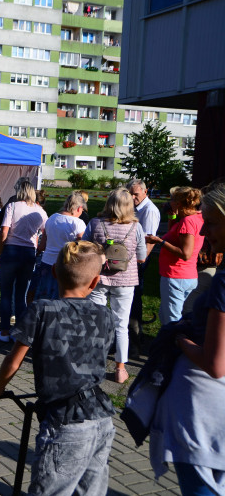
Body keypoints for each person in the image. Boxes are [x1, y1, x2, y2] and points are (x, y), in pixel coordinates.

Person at [0, 241, 116, 496]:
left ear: (54, 272)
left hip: (67, 422)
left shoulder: (43, 310)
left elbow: (13, 361)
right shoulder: (106, 315)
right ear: (95, 281)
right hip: (101, 417)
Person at [149, 183, 225, 494]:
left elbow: (215, 363)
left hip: (202, 419)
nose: (205, 229)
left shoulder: (222, 282)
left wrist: (178, 338)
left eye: (213, 222)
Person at [83, 187, 147, 383]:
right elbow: (142, 257)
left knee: (96, 322)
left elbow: (84, 248)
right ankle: (120, 369)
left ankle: (94, 364)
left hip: (98, 278)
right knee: (121, 325)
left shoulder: (95, 223)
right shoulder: (136, 227)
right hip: (125, 281)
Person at [144, 186, 205, 325]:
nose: (168, 202)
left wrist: (160, 241)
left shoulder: (187, 222)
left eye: (171, 200)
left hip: (176, 276)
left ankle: (174, 339)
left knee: (172, 319)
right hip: (187, 275)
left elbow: (185, 254)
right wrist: (172, 217)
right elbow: (174, 236)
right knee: (168, 314)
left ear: (178, 203)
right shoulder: (195, 217)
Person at [0, 180, 48, 340]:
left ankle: (5, 331)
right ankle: (19, 332)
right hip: (29, 252)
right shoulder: (40, 211)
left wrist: (1, 251)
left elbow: (4, 231)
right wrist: (39, 248)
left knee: (6, 293)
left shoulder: (12, 206)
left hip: (11, 249)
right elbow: (46, 232)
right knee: (21, 295)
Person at [34, 193, 87, 300]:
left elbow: (42, 246)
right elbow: (82, 247)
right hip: (66, 264)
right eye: (82, 210)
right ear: (79, 208)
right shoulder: (78, 223)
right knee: (60, 298)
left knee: (44, 295)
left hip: (47, 262)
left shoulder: (52, 218)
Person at [128, 178, 161, 334]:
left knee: (135, 294)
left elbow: (150, 240)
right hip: (133, 257)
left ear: (145, 191)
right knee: (131, 294)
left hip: (139, 259)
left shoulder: (149, 210)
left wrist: (141, 261)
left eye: (136, 194)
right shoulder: (136, 207)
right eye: (130, 194)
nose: (132, 197)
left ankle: (136, 331)